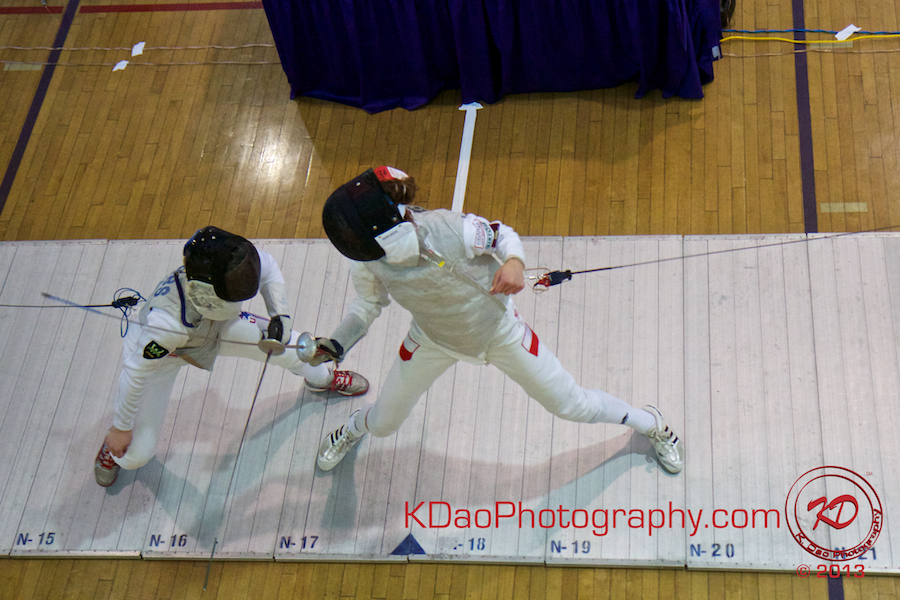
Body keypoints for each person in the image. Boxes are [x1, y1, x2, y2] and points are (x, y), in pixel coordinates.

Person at [308, 167, 684, 474]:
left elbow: (502, 235)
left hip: (501, 333)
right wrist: (337, 344)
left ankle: (651, 423)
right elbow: (366, 305)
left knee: (573, 406)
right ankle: (353, 429)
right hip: (432, 339)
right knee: (383, 424)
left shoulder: (451, 229)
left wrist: (514, 262)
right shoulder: (367, 259)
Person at [94, 226, 369, 487]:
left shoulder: (231, 263)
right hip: (167, 357)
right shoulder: (164, 327)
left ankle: (322, 379)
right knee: (135, 455)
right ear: (206, 293)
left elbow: (268, 268)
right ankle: (112, 448)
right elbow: (134, 373)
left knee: (293, 346)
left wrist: (280, 315)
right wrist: (121, 428)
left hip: (214, 324)